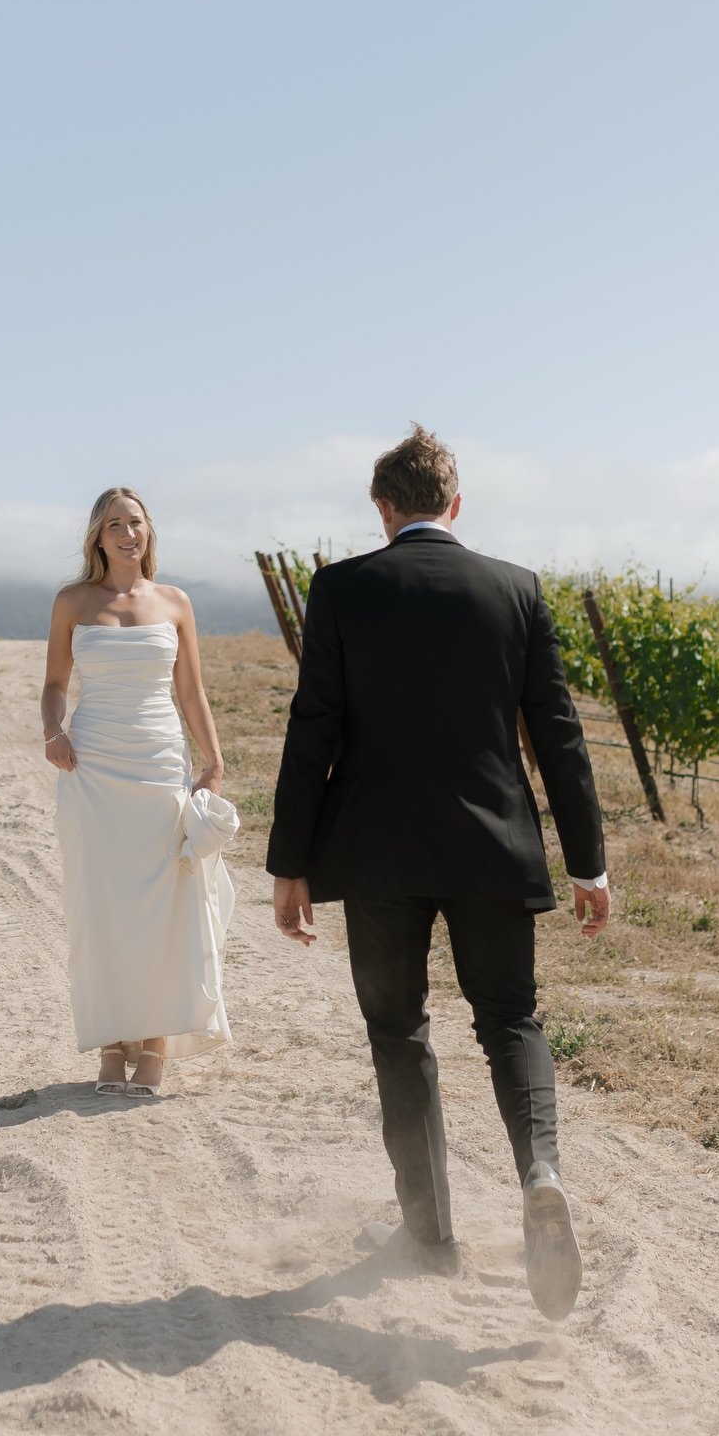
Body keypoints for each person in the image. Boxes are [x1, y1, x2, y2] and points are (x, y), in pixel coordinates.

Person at [265, 425, 609, 1319]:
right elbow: (559, 737)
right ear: (456, 504)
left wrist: (290, 864)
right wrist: (589, 863)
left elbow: (314, 732)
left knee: (400, 1031)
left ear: (383, 509)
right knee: (510, 1019)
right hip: (493, 848)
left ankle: (430, 1235)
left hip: (377, 855)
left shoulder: (341, 588)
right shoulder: (516, 591)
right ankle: (540, 1171)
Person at [42, 487, 236, 1097]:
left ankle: (153, 1049)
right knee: (102, 907)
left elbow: (191, 693)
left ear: (149, 531)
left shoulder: (175, 603)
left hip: (157, 767)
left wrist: (214, 759)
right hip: (93, 768)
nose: (128, 533)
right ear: (97, 537)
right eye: (115, 525)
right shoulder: (72, 602)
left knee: (162, 907)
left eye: (137, 523)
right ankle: (109, 1044)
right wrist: (53, 731)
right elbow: (53, 683)